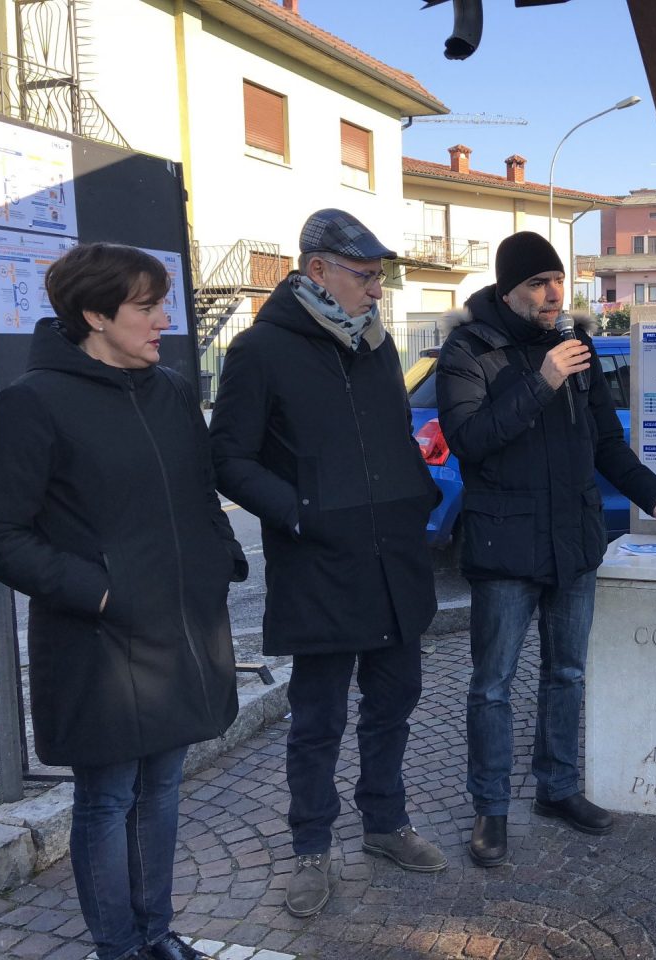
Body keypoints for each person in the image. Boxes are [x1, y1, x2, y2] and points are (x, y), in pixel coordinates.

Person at [0, 243, 246, 960]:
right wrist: (98, 590)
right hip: (100, 646)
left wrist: (222, 558)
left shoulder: (173, 391)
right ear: (95, 315)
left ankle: (157, 935)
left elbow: (200, 492)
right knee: (109, 799)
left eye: (163, 304)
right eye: (147, 307)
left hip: (182, 632)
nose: (164, 321)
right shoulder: (31, 405)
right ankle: (118, 949)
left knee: (163, 792)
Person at [435, 231, 656, 867]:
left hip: (574, 541)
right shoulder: (468, 350)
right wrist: (542, 382)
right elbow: (470, 440)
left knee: (567, 673)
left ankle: (557, 788)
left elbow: (608, 446)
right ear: (508, 289)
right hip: (506, 543)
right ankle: (490, 809)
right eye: (537, 283)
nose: (553, 294)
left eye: (558, 280)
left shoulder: (573, 347)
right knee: (493, 685)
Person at [209, 209, 446, 917]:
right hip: (318, 567)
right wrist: (303, 514)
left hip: (393, 561)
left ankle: (384, 824)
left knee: (394, 706)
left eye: (381, 278)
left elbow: (395, 438)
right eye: (367, 277)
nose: (379, 292)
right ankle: (311, 849)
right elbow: (229, 460)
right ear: (318, 271)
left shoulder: (374, 347)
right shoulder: (260, 350)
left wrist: (416, 496)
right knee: (318, 722)